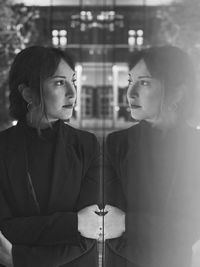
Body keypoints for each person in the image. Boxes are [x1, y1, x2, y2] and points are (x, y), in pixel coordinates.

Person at [0, 46, 102, 267]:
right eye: (58, 82)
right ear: (28, 93)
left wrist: (19, 258)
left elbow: (93, 229)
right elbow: (4, 229)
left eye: (73, 81)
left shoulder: (87, 145)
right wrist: (73, 223)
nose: (73, 93)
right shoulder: (3, 148)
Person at [104, 46, 200, 267]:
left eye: (144, 82)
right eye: (130, 81)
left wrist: (129, 223)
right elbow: (109, 225)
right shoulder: (117, 145)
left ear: (177, 91)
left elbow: (192, 228)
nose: (130, 93)